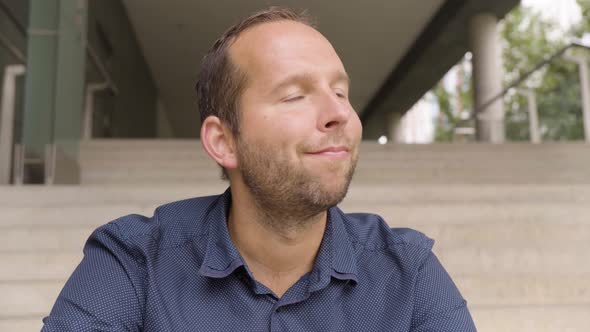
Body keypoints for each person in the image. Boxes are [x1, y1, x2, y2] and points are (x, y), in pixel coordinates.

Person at [42, 7, 476, 331]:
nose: (339, 114)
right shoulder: (134, 261)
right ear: (223, 141)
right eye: (294, 95)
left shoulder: (407, 269)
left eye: (341, 93)